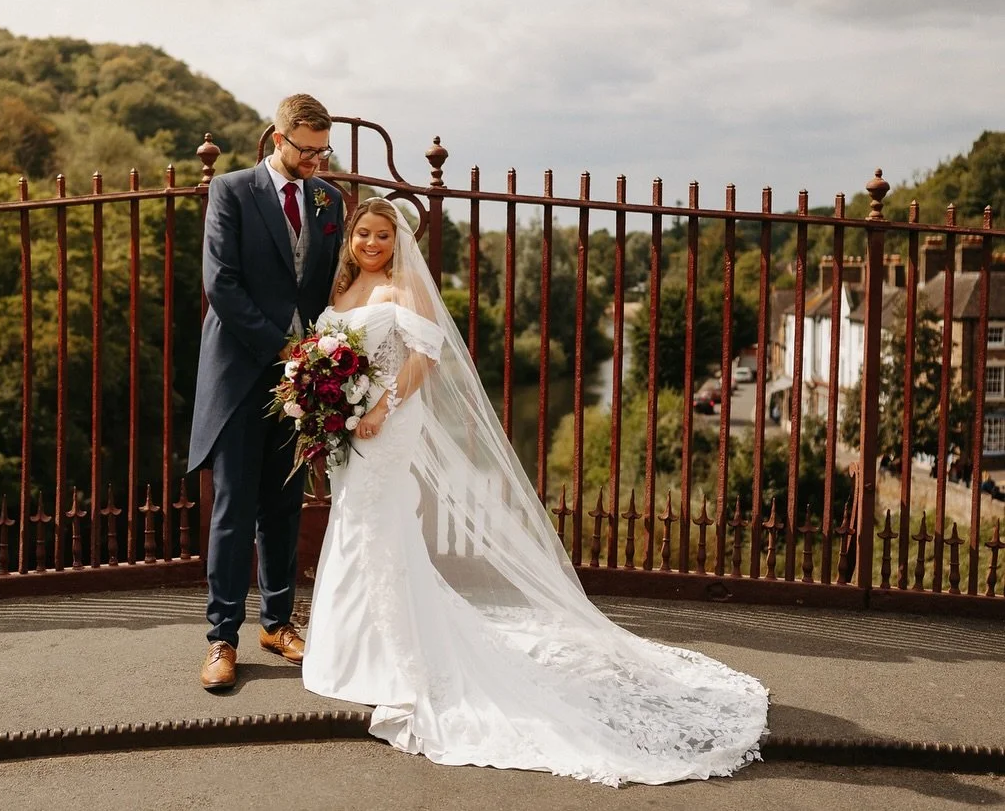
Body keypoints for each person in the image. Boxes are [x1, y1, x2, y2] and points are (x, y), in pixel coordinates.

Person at [302, 197, 769, 786]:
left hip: (385, 425)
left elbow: (425, 356)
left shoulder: (402, 287)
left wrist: (380, 408)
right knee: (353, 525)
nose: (371, 243)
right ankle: (348, 650)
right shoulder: (343, 288)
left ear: (398, 243)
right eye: (363, 234)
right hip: (348, 427)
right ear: (350, 237)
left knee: (379, 529)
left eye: (382, 235)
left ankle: (393, 658)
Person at [187, 94, 344, 691]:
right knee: (233, 509)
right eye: (306, 150)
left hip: (300, 380)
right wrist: (282, 348)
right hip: (239, 372)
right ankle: (221, 638)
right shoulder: (232, 191)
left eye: (322, 150)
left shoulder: (328, 199)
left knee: (284, 506)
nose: (315, 161)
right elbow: (221, 283)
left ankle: (277, 624)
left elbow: (328, 284)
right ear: (278, 139)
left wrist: (326, 354)